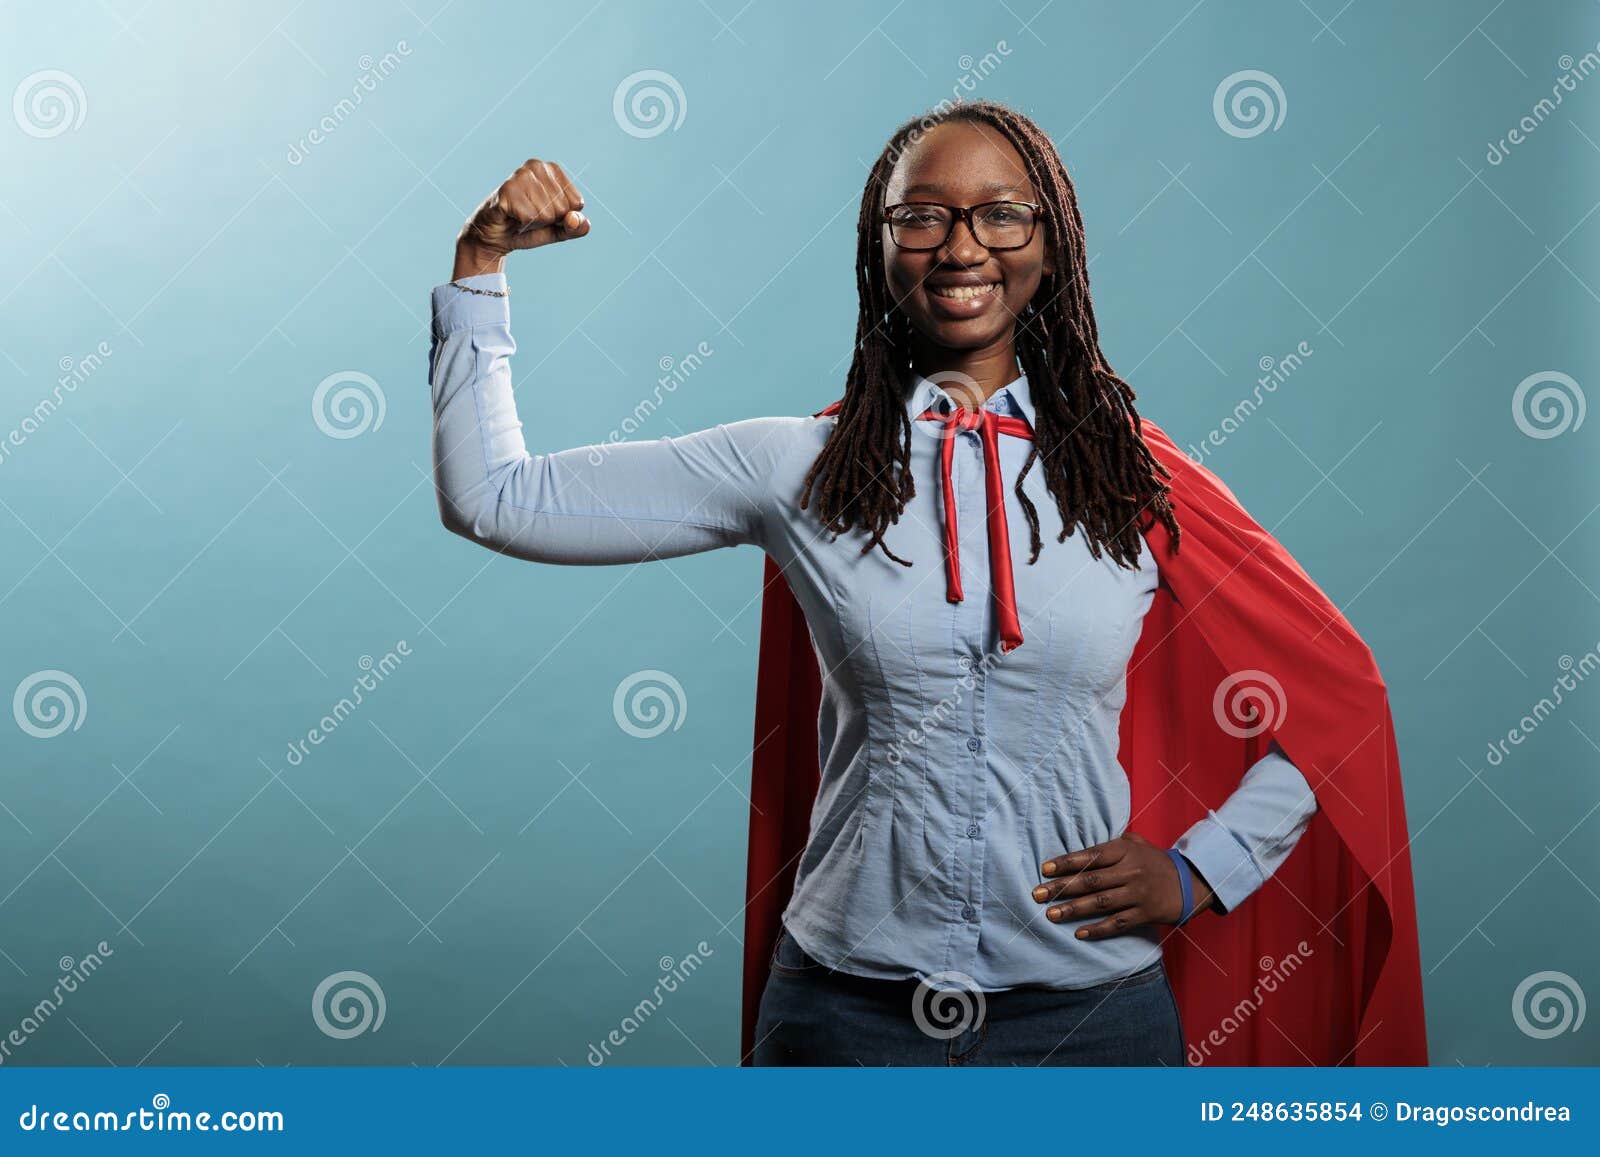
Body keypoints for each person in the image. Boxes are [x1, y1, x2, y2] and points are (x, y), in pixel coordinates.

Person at [429, 100, 1425, 1067]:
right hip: (842, 1025)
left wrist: (1201, 868)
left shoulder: (1134, 478)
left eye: (1001, 212)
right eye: (921, 216)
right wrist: (482, 264)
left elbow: (1337, 701)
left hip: (1093, 1031)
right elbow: (497, 498)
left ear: (1051, 243)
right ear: (879, 245)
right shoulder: (797, 466)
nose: (960, 247)